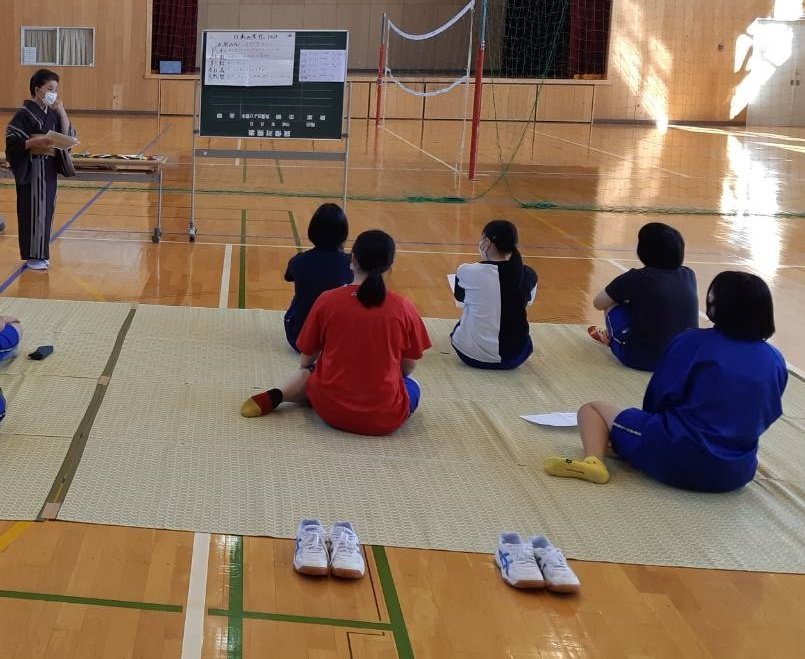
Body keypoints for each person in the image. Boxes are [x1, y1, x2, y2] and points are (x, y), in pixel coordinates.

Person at [545, 271, 787, 493]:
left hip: (677, 456)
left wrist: (650, 429)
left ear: (715, 306)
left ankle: (594, 462)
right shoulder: (775, 359)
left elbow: (658, 396)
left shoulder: (693, 342)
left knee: (592, 411)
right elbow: (768, 412)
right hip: (736, 473)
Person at [242, 230, 431, 436]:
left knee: (312, 372)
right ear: (389, 265)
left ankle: (283, 393)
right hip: (383, 417)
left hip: (329, 409)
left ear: (353, 260)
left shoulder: (328, 300)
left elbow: (305, 361)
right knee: (413, 384)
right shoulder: (403, 307)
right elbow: (408, 367)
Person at [587, 222, 698, 371]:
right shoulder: (689, 274)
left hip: (641, 358)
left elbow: (598, 303)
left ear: (642, 252)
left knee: (612, 303)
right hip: (682, 359)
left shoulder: (636, 277)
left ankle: (611, 338)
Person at [5, 69, 75, 271]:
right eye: (50, 89)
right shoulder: (24, 114)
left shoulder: (52, 112)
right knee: (32, 210)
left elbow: (67, 134)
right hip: (32, 166)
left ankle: (41, 253)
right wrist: (36, 141)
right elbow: (13, 142)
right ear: (37, 90)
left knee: (46, 211)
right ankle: (32, 255)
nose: (54, 93)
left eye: (56, 89)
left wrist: (61, 110)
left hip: (49, 168)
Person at [450, 220, 537, 369]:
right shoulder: (528, 274)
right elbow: (525, 304)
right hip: (514, 358)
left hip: (471, 356)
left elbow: (460, 298)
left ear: (487, 242)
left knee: (467, 317)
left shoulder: (467, 271)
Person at [283, 203, 352, 351]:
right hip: (339, 340)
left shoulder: (299, 261)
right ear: (343, 234)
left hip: (298, 336)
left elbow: (288, 276)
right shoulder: (351, 264)